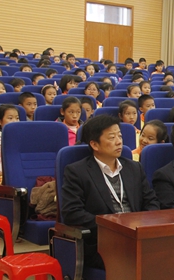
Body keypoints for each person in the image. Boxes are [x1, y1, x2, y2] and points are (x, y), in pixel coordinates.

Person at [62, 115, 160, 269]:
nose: (119, 141)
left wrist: (143, 226)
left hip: (137, 237)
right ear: (94, 144)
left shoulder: (134, 168)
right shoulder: (77, 172)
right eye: (112, 137)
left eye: (120, 136)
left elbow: (151, 202)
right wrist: (111, 225)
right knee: (144, 263)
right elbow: (72, 213)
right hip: (103, 243)